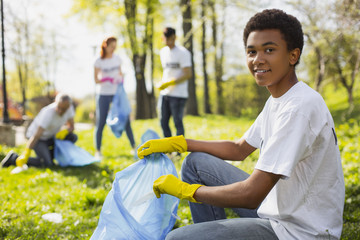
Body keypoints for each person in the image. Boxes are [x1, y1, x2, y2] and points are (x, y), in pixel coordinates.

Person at [137, 9, 345, 240]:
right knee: (195, 163)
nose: (258, 59)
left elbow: (252, 194)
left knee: (177, 239)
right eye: (251, 51)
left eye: (269, 50)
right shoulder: (281, 99)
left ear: (293, 56)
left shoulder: (299, 108)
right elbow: (239, 149)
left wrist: (186, 191)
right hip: (278, 208)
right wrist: (179, 143)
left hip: (297, 231)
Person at [1, 93, 78, 168]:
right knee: (47, 164)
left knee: (72, 137)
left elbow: (71, 126)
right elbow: (36, 135)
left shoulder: (69, 109)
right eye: (59, 107)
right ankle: (14, 158)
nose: (60, 111)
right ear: (55, 102)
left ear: (68, 107)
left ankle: (48, 157)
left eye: (63, 109)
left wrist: (65, 131)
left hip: (50, 137)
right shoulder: (48, 113)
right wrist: (27, 152)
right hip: (38, 139)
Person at [94, 36, 135, 159]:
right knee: (101, 122)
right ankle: (98, 151)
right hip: (103, 93)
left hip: (117, 93)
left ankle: (134, 147)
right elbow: (96, 80)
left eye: (115, 47)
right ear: (105, 45)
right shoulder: (98, 61)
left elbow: (120, 73)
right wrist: (106, 79)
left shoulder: (117, 59)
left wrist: (120, 78)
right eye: (111, 46)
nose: (113, 49)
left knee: (126, 118)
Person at [158, 27, 192, 140]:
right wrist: (163, 84)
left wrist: (171, 82)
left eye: (171, 39)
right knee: (163, 122)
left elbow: (188, 74)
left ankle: (178, 150)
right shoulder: (163, 52)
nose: (169, 42)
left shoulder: (183, 53)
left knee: (177, 121)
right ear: (163, 39)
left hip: (179, 94)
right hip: (165, 93)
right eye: (167, 39)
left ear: (175, 37)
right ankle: (168, 149)